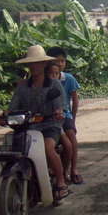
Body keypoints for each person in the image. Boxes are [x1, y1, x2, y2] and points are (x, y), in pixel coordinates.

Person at [0, 45, 69, 202]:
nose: (34, 66)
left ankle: (60, 181)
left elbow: (60, 107)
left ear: (44, 64)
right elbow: (12, 109)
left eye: (37, 63)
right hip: (27, 127)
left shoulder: (54, 85)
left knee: (48, 148)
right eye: (31, 63)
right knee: (12, 150)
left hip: (49, 126)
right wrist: (0, 116)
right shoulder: (22, 87)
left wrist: (58, 112)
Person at [46, 47, 83, 185]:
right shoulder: (42, 79)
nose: (60, 64)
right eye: (57, 61)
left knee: (71, 135)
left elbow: (75, 99)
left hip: (64, 114)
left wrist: (72, 118)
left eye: (63, 61)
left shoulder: (68, 78)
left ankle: (72, 169)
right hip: (46, 115)